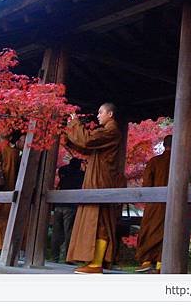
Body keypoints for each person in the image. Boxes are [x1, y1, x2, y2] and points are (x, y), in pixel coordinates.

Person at [65, 102, 122, 274]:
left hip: (101, 180)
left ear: (110, 114)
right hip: (97, 178)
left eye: (100, 112)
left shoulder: (111, 131)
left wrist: (75, 124)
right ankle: (94, 262)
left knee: (101, 220)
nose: (98, 116)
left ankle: (97, 264)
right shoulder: (106, 132)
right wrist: (71, 131)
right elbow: (84, 145)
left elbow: (88, 139)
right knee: (97, 220)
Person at [135, 135, 173, 274]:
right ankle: (160, 265)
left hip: (154, 203)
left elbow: (147, 184)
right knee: (168, 231)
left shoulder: (154, 161)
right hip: (174, 206)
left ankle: (146, 261)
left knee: (150, 230)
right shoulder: (181, 162)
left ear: (164, 145)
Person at [50, 156, 85, 263]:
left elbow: (61, 170)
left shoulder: (63, 171)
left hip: (59, 204)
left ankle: (54, 257)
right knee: (69, 232)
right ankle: (68, 257)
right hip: (71, 206)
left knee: (56, 232)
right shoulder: (81, 175)